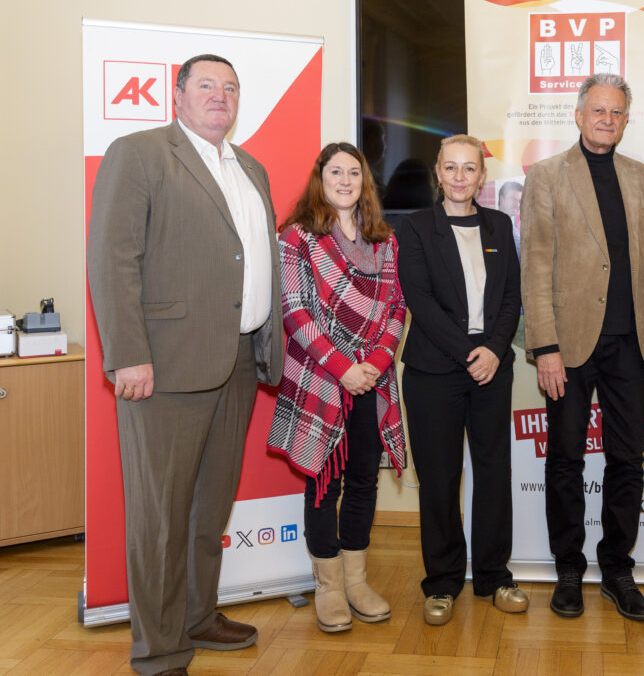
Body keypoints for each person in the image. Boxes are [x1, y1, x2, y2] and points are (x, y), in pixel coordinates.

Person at [87, 54, 283, 675]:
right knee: (161, 516)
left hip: (238, 362)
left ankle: (199, 615)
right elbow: (112, 260)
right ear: (177, 95)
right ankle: (160, 648)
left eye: (231, 87)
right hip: (164, 368)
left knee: (208, 507)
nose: (220, 96)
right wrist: (128, 356)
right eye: (206, 85)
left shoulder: (249, 166)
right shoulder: (139, 152)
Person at [520, 73, 644, 622]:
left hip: (631, 346)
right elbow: (535, 265)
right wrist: (545, 346)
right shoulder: (546, 175)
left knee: (628, 460)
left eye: (617, 112)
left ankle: (617, 569)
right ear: (579, 115)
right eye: (598, 110)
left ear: (626, 120)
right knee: (565, 459)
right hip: (569, 345)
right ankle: (568, 568)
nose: (607, 119)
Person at [267, 142, 406, 634]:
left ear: (363, 181)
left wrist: (376, 362)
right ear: (320, 179)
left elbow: (395, 308)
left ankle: (356, 579)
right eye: (335, 172)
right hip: (323, 380)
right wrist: (344, 367)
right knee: (324, 482)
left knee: (365, 479)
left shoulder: (383, 239)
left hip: (373, 380)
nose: (345, 180)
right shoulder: (297, 238)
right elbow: (295, 311)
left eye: (354, 172)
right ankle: (327, 586)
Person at [398, 134, 526, 626]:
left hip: (492, 367)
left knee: (494, 473)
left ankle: (494, 575)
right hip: (434, 370)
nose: (458, 177)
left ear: (482, 177)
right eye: (450, 168)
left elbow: (512, 296)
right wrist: (468, 352)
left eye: (468, 169)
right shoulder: (415, 229)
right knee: (440, 479)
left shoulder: (499, 223)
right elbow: (420, 301)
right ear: (437, 172)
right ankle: (443, 582)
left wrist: (493, 350)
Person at [497, 180, 523, 256]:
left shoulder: (513, 228)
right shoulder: (490, 225)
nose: (517, 205)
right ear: (502, 199)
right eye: (513, 199)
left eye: (520, 201)